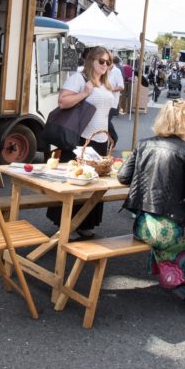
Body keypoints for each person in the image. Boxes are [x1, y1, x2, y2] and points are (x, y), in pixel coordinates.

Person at [118, 99, 185, 316]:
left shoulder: (144, 143)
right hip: (166, 231)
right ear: (182, 120)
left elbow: (122, 176)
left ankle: (179, 277)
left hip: (142, 226)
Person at [46, 45, 116, 238]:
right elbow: (63, 102)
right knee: (76, 181)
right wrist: (85, 92)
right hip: (81, 138)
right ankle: (67, 224)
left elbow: (105, 112)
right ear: (91, 60)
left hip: (100, 139)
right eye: (101, 61)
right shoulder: (79, 78)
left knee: (94, 183)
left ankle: (86, 223)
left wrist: (110, 134)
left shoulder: (106, 84)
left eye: (108, 62)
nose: (105, 65)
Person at [107, 56, 124, 142]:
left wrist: (111, 89)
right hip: (102, 101)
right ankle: (109, 141)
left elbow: (121, 87)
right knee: (102, 122)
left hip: (112, 102)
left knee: (106, 122)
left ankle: (114, 138)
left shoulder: (116, 71)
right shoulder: (103, 70)